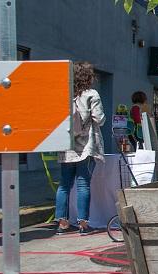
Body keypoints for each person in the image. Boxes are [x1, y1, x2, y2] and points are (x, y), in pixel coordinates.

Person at [54, 62, 105, 235]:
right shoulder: (91, 94)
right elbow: (99, 119)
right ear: (89, 77)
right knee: (83, 185)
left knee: (64, 185)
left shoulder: (65, 94)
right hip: (85, 146)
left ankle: (62, 224)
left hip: (66, 146)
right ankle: (83, 225)